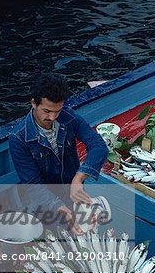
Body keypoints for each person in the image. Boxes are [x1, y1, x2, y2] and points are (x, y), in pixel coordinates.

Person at [9, 73, 108, 235]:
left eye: (57, 111)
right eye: (47, 111)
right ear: (33, 103)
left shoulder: (68, 117)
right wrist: (61, 209)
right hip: (42, 202)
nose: (53, 117)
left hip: (72, 194)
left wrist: (79, 178)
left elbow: (98, 146)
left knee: (82, 234)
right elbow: (33, 184)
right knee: (50, 239)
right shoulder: (18, 138)